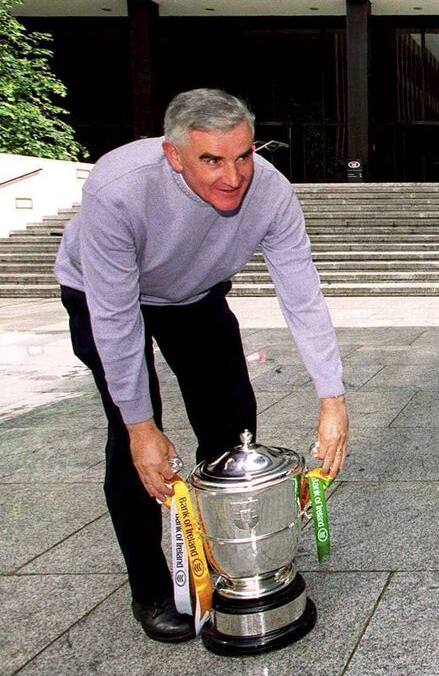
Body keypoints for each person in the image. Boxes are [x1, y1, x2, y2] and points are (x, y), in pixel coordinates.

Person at [56, 88, 350, 642]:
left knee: (232, 420)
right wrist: (142, 424)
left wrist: (332, 398)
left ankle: (229, 563)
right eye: (212, 160)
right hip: (105, 294)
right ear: (174, 155)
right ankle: (150, 588)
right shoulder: (118, 188)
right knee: (134, 442)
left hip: (196, 295)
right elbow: (116, 319)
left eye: (244, 155)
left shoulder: (271, 190)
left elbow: (302, 294)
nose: (234, 176)